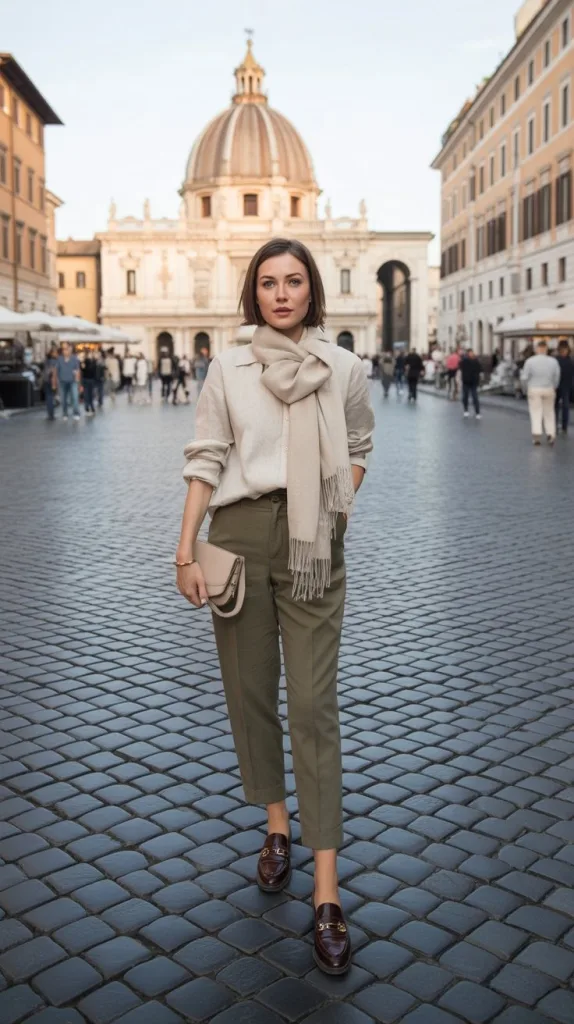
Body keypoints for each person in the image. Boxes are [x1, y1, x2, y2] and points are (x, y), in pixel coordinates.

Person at [176, 237, 374, 976]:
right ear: (253, 293)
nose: (282, 294)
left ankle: (326, 893)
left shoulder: (343, 366)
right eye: (268, 283)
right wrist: (184, 549)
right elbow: (205, 457)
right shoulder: (227, 367)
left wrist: (337, 510)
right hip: (237, 534)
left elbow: (360, 442)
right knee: (250, 695)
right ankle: (276, 826)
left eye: (294, 281)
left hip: (314, 541)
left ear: (311, 290)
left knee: (315, 706)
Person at [521, 339, 561, 445]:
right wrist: (554, 386)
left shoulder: (530, 361)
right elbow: (557, 376)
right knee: (549, 412)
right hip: (549, 388)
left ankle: (537, 434)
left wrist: (525, 389)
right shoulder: (553, 361)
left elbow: (524, 377)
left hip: (534, 388)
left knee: (536, 412)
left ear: (537, 349)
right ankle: (551, 433)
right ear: (546, 349)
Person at [56, 342, 81, 421]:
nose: (65, 351)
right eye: (63, 349)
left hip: (72, 381)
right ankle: (65, 413)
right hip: (62, 382)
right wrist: (56, 382)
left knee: (75, 397)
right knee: (63, 399)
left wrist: (78, 382)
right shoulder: (59, 359)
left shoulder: (74, 358)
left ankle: (76, 413)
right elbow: (56, 370)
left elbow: (77, 370)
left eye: (66, 349)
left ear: (70, 349)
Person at [555, 339, 573, 435]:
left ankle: (564, 426)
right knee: (556, 406)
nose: (563, 351)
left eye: (565, 349)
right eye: (562, 349)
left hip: (566, 386)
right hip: (557, 385)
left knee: (565, 406)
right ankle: (555, 425)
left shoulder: (570, 360)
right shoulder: (556, 359)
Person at [460, 349, 482, 419]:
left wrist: (478, 379)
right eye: (470, 353)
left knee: (475, 397)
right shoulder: (464, 361)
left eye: (472, 353)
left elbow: (480, 369)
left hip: (473, 382)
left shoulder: (476, 361)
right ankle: (466, 410)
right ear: (467, 354)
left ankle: (477, 412)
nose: (471, 354)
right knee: (465, 397)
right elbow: (460, 367)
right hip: (466, 382)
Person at [43, 344, 59, 421]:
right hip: (51, 380)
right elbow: (54, 373)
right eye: (56, 353)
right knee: (51, 397)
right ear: (52, 353)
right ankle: (51, 414)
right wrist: (54, 384)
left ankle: (50, 414)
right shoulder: (54, 361)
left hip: (46, 380)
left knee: (48, 397)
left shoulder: (47, 360)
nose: (57, 354)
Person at [81, 351, 98, 416]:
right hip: (91, 380)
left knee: (87, 394)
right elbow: (94, 371)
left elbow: (82, 370)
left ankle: (87, 408)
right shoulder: (93, 362)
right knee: (90, 394)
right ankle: (91, 408)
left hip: (86, 379)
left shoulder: (84, 362)